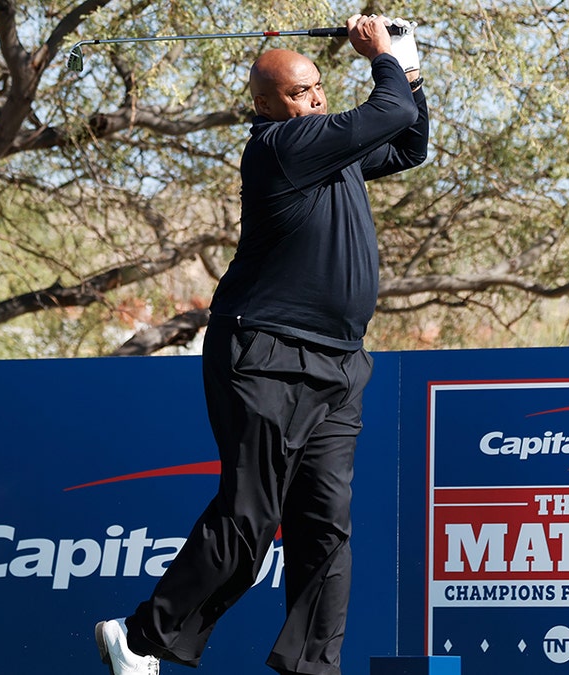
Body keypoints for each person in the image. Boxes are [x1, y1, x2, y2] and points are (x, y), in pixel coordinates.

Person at [95, 12, 429, 675]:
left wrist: (409, 62)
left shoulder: (331, 144)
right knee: (250, 521)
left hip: (338, 363)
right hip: (267, 353)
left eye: (317, 88)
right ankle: (137, 638)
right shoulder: (281, 146)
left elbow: (409, 141)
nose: (315, 98)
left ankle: (313, 667)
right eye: (300, 91)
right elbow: (389, 109)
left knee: (326, 527)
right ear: (266, 104)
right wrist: (383, 55)